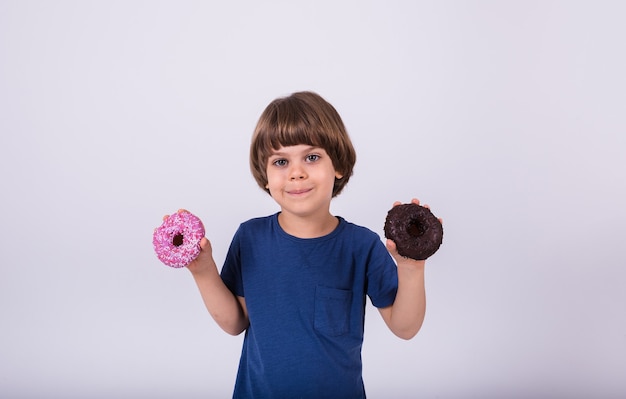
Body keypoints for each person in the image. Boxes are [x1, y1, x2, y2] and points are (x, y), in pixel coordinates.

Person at [183, 91, 433, 398]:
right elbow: (236, 322)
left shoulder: (361, 246)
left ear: (337, 165)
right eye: (280, 161)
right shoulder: (250, 238)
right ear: (265, 176)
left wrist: (411, 267)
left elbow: (404, 327)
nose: (296, 172)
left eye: (311, 157)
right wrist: (203, 270)